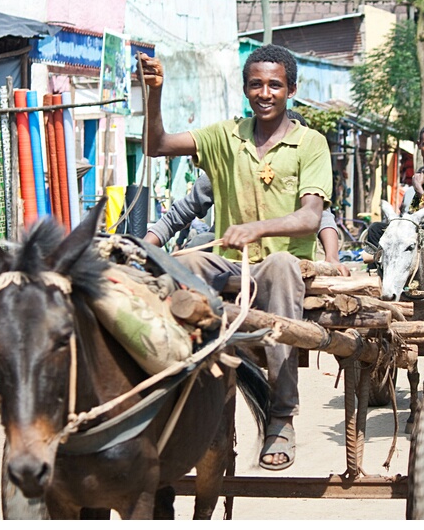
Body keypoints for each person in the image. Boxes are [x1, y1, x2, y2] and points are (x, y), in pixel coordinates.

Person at [140, 44, 333, 471]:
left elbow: (310, 216)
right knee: (185, 265)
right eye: (256, 85)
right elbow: (155, 145)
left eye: (275, 85)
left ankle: (280, 416)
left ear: (291, 90)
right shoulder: (226, 136)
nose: (265, 93)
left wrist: (259, 228)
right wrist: (154, 92)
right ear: (246, 89)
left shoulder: (310, 143)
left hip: (282, 267)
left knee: (280, 266)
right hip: (229, 266)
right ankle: (177, 392)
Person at [143, 171, 350, 276]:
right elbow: (180, 212)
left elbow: (323, 216)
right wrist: (141, 250)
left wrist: (332, 258)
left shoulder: (302, 173)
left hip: (282, 259)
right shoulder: (224, 167)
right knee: (198, 245)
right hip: (226, 254)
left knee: (283, 265)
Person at [366, 124, 424, 248]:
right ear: (419, 144)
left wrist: (418, 188)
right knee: (377, 229)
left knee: (377, 230)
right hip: (417, 226)